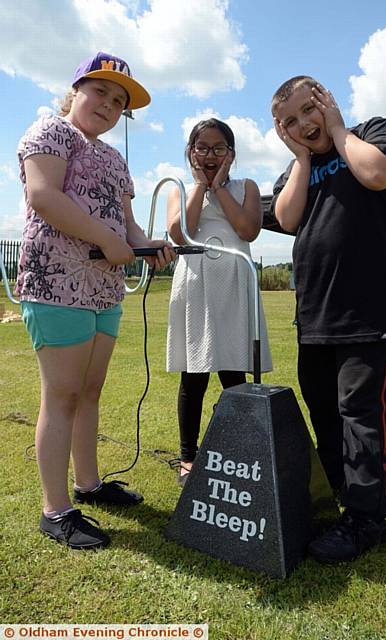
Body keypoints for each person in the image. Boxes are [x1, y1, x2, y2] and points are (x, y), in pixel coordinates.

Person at [15, 52, 175, 550]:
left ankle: (89, 485)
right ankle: (55, 510)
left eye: (119, 100)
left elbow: (127, 226)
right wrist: (109, 242)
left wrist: (145, 247)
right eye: (101, 91)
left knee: (90, 391)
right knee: (61, 395)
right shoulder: (49, 131)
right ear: (76, 89)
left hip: (104, 289)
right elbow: (44, 195)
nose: (109, 104)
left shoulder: (113, 158)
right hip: (56, 282)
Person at [271, 76, 386, 564]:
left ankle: (367, 518)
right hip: (316, 316)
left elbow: (377, 175)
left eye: (310, 109)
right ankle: (345, 502)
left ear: (327, 101)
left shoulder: (369, 133)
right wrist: (303, 159)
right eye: (290, 121)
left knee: (360, 415)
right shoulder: (297, 169)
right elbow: (287, 219)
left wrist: (337, 128)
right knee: (325, 413)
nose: (304, 124)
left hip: (369, 311)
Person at [166, 118, 272, 486]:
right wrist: (200, 186)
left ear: (231, 153)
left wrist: (221, 188)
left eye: (218, 148)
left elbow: (247, 230)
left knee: (234, 373)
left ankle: (238, 450)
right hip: (197, 284)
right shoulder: (179, 189)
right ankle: (187, 457)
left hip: (234, 281)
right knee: (193, 374)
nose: (210, 155)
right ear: (191, 152)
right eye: (202, 148)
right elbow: (182, 232)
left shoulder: (247, 187)